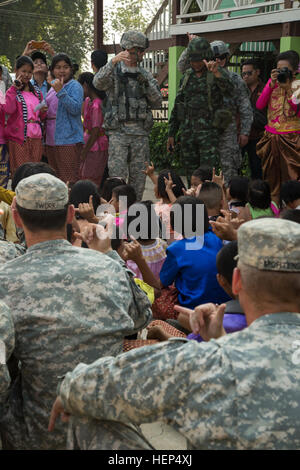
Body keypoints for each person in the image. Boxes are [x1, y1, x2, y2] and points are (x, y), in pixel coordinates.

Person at [49, 217, 300, 450]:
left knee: (85, 417)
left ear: (236, 281)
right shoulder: (212, 356)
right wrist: (219, 340)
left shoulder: (203, 362)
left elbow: (85, 386)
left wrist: (69, 390)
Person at [0, 173, 152, 450]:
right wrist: (108, 255)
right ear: (70, 214)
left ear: (17, 217)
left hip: (39, 434)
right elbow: (142, 316)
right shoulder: (106, 266)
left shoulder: (4, 279)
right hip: (111, 433)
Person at [93, 31, 162, 200]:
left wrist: (143, 82)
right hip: (118, 134)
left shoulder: (145, 75)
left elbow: (157, 102)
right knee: (117, 179)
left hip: (140, 135)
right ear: (124, 50)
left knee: (139, 179)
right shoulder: (113, 72)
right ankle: (118, 215)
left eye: (138, 51)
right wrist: (112, 62)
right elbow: (97, 83)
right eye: (131, 50)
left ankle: (135, 214)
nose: (135, 54)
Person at [177, 37, 253, 183]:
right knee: (203, 172)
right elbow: (181, 66)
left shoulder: (234, 79)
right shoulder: (202, 76)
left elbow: (245, 107)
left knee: (228, 168)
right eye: (214, 57)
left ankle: (229, 201)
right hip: (206, 128)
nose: (218, 61)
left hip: (226, 129)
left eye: (222, 58)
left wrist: (245, 131)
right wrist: (190, 46)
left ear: (227, 58)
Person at [168, 37, 234, 181]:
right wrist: (172, 133)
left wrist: (217, 74)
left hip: (209, 135)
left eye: (198, 60)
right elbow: (178, 105)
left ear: (206, 57)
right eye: (192, 60)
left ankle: (209, 203)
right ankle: (192, 202)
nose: (195, 64)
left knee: (208, 176)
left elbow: (230, 92)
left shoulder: (216, 73)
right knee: (191, 175)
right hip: (188, 134)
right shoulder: (186, 76)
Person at [256, 50, 300, 203]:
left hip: (292, 139)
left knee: (292, 179)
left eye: (285, 69)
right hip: (271, 138)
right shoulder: (272, 84)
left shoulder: (297, 86)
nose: (281, 72)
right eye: (278, 69)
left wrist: (288, 89)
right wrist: (271, 84)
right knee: (271, 179)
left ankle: (292, 210)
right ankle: (273, 209)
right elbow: (260, 104)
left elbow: (298, 111)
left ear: (295, 70)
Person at [3, 56, 47, 177]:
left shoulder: (37, 92)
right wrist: (13, 89)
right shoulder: (12, 91)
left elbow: (42, 116)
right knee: (20, 172)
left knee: (35, 172)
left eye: (29, 72)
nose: (27, 75)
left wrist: (43, 111)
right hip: (19, 138)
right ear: (16, 70)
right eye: (24, 71)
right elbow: (8, 109)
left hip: (36, 136)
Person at [45, 53, 84, 183]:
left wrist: (61, 92)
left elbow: (76, 109)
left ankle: (72, 203)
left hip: (68, 139)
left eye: (65, 67)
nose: (62, 70)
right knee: (55, 180)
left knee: (68, 179)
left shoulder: (75, 86)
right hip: (51, 140)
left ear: (71, 69)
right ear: (52, 70)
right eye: (58, 67)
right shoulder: (52, 87)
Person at [77, 72, 108, 187]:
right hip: (88, 143)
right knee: (83, 175)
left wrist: (84, 151)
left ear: (85, 85)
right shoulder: (87, 101)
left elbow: (95, 130)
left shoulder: (96, 105)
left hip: (96, 146)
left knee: (92, 177)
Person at [240, 59, 266, 179]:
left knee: (257, 169)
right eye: (243, 73)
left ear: (257, 72)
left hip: (258, 136)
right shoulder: (239, 90)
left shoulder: (266, 89)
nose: (245, 76)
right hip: (240, 135)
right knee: (235, 168)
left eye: (249, 73)